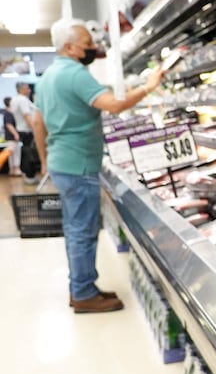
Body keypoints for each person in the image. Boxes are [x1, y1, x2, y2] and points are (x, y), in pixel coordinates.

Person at [32, 17, 164, 313]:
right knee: (83, 231)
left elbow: (38, 122)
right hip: (79, 164)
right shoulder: (75, 73)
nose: (92, 48)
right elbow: (114, 105)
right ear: (69, 47)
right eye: (87, 44)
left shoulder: (48, 76)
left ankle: (81, 287)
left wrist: (44, 162)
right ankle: (83, 293)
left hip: (61, 161)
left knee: (74, 228)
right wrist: (148, 87)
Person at [10, 82, 39, 183]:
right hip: (27, 131)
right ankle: (30, 176)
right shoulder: (22, 100)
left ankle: (29, 176)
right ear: (21, 89)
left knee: (27, 153)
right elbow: (27, 116)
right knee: (30, 154)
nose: (29, 90)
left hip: (22, 130)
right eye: (27, 88)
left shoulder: (15, 99)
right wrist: (36, 131)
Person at [2, 97, 22, 176]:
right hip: (12, 137)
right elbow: (9, 125)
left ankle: (12, 170)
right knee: (15, 153)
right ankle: (16, 169)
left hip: (11, 137)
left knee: (12, 154)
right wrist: (16, 134)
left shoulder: (9, 113)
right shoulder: (9, 113)